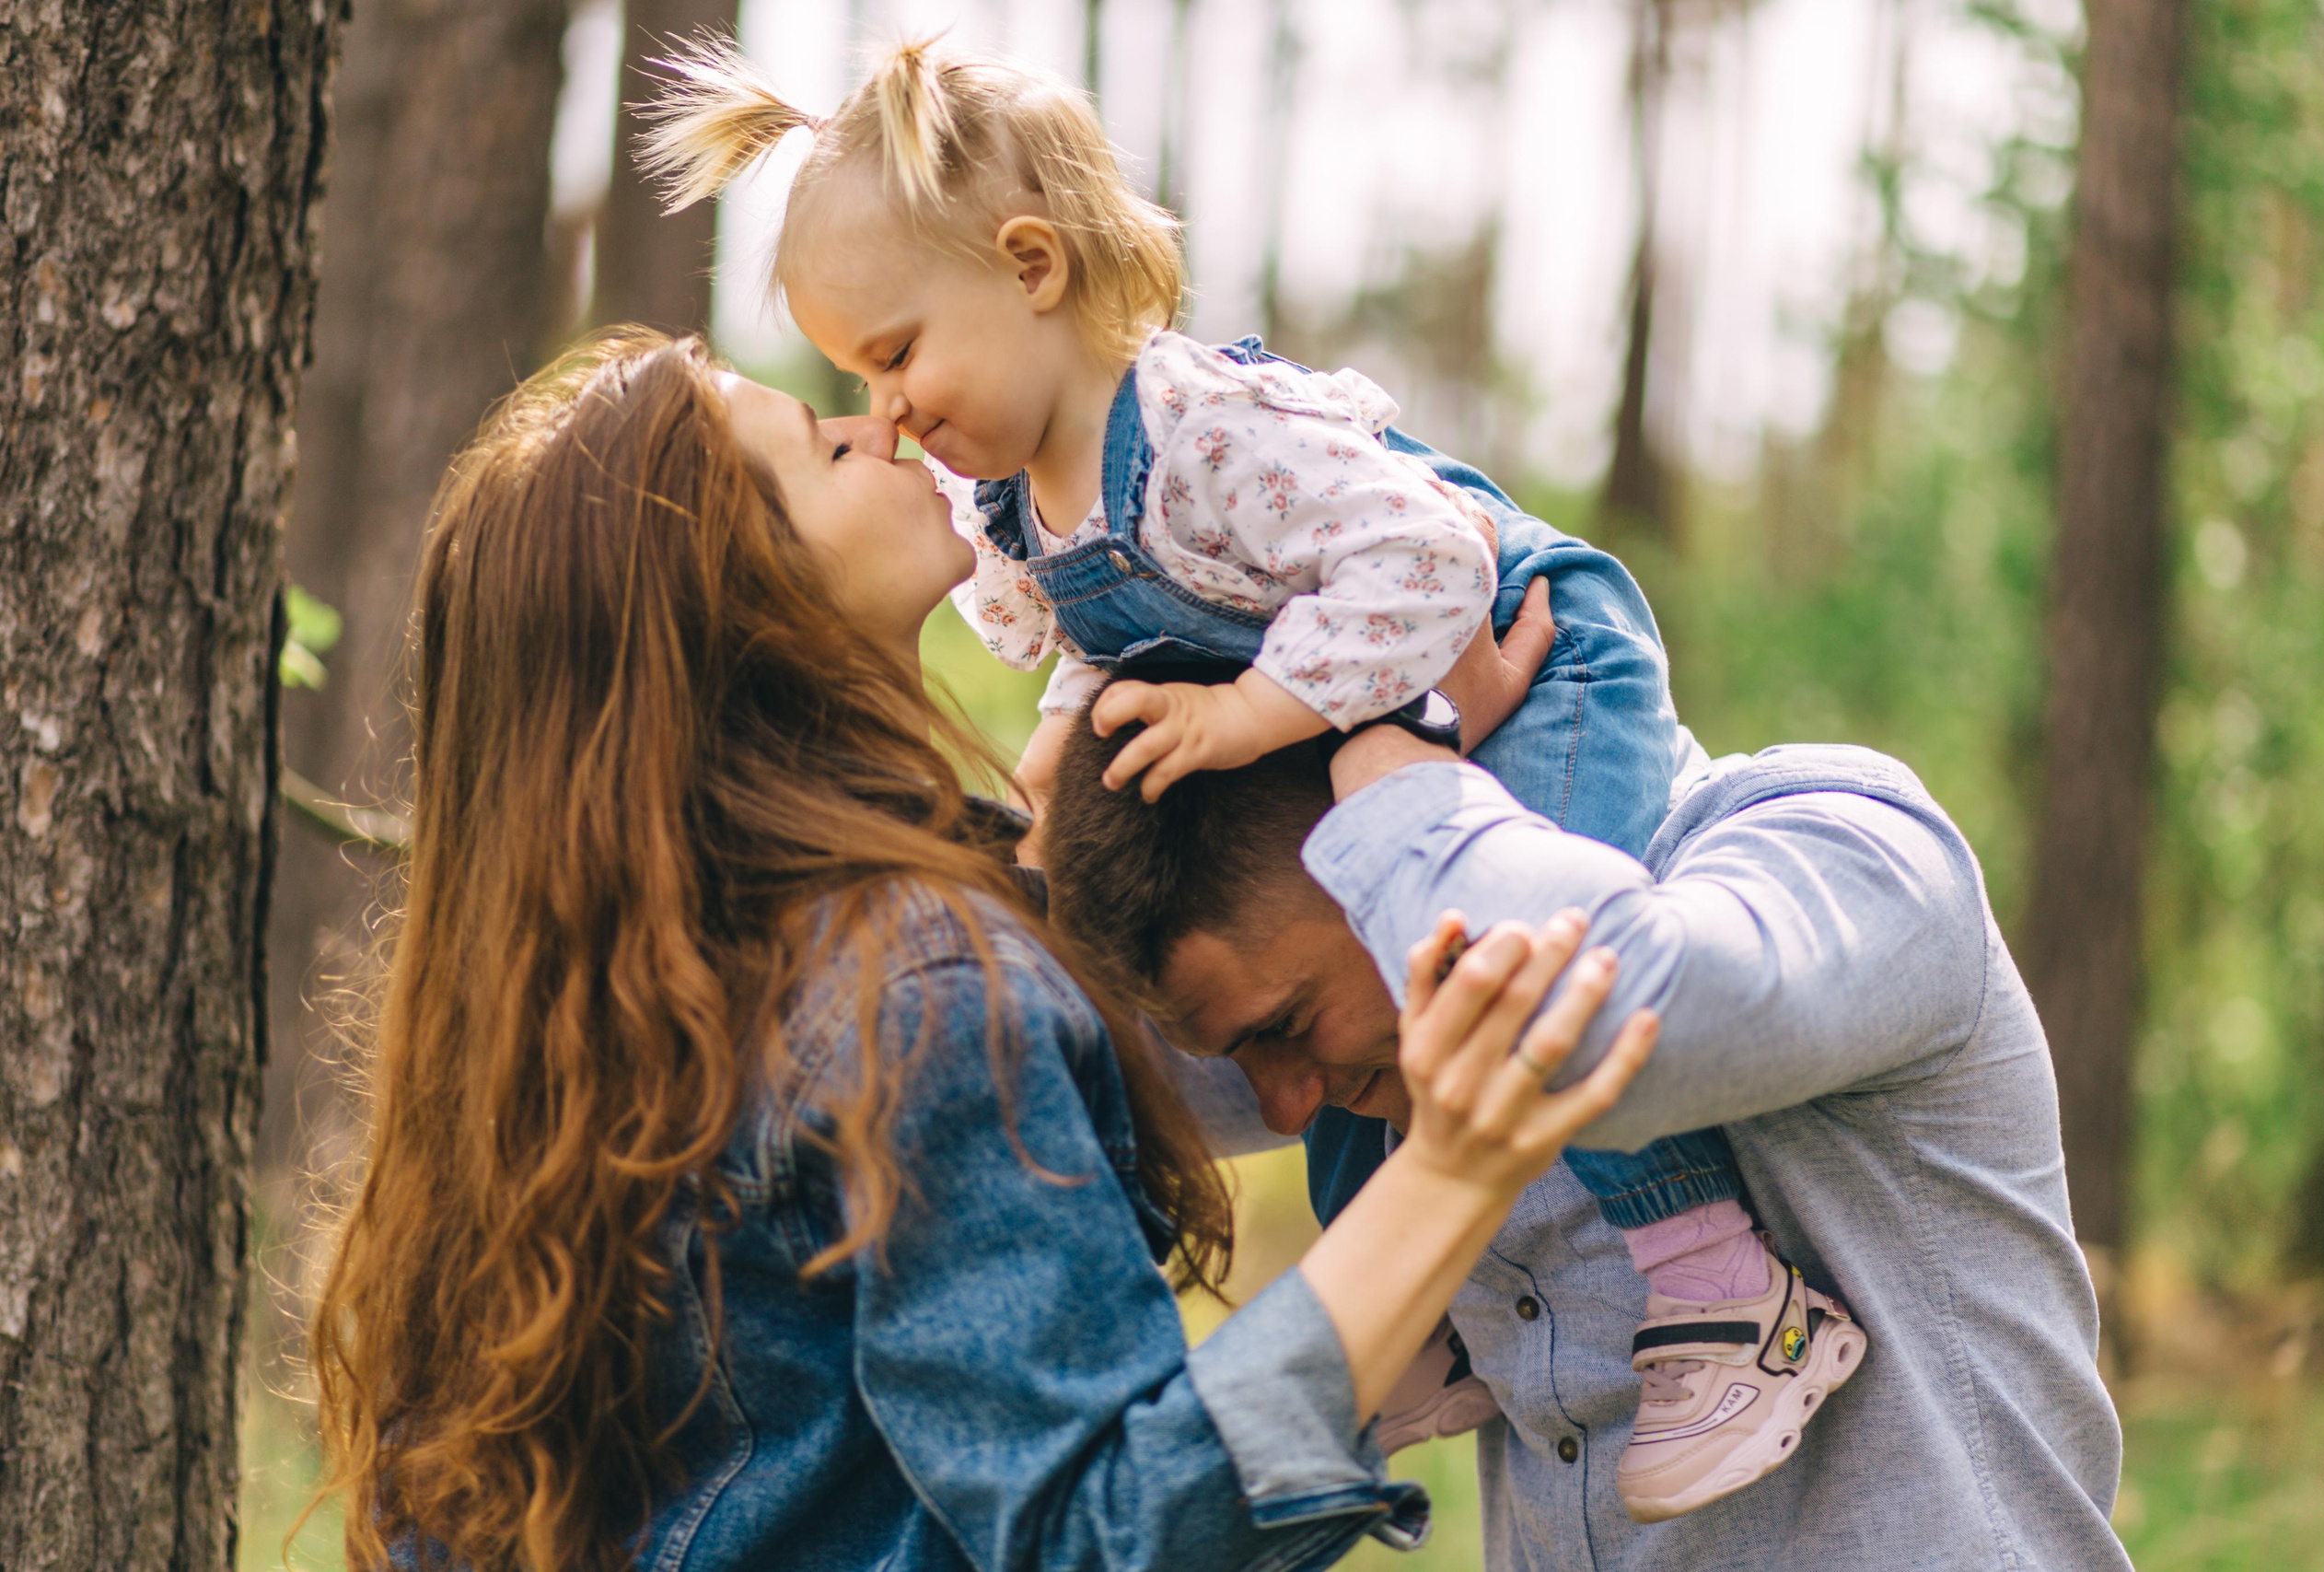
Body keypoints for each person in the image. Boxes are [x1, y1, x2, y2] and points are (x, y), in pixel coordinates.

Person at [633, 36, 1862, 1517]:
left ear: (1030, 266)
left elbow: (1431, 562)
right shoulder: (1030, 506)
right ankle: (1436, 1308)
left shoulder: (1203, 428)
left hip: (1513, 659)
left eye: (889, 362)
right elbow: (1128, 652)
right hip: (1367, 687)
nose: (883, 417)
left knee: (1541, 983)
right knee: (1347, 1057)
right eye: (846, 398)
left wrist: (1333, 723)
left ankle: (1721, 1288)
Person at [301, 331, 1660, 1572]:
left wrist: (1410, 742)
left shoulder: (617, 1003)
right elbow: (1102, 1533)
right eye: (816, 449)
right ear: (737, 605)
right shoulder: (917, 986)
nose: (874, 430)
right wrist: (1452, 1171)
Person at [1043, 713, 2134, 1570]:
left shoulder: (1842, 846)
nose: (1285, 1108)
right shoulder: (1352, 1039)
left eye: (1284, 1028)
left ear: (1384, 855)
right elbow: (999, 1081)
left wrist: (1388, 759)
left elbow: (1621, 1023)